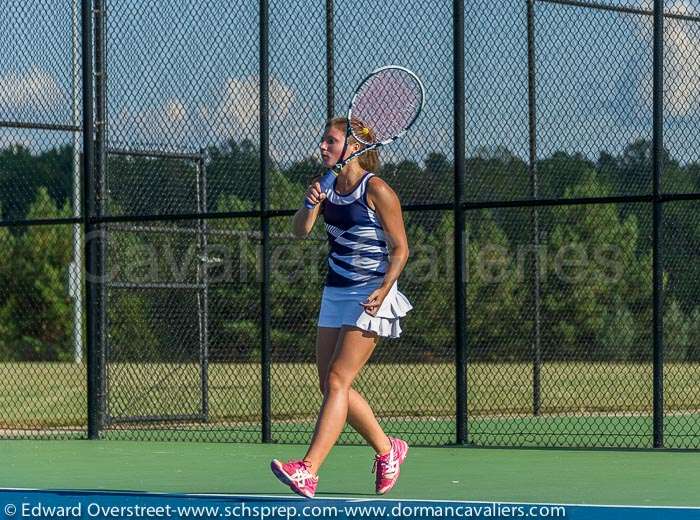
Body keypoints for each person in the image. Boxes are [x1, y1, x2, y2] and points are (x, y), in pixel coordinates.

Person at [270, 117, 413, 498]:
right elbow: (300, 232)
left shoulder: (377, 189)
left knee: (337, 379)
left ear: (355, 147)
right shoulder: (326, 186)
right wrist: (310, 203)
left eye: (331, 141)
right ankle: (388, 449)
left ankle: (308, 470)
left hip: (372, 293)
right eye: (323, 140)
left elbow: (401, 248)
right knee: (329, 384)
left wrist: (385, 289)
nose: (322, 146)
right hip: (335, 292)